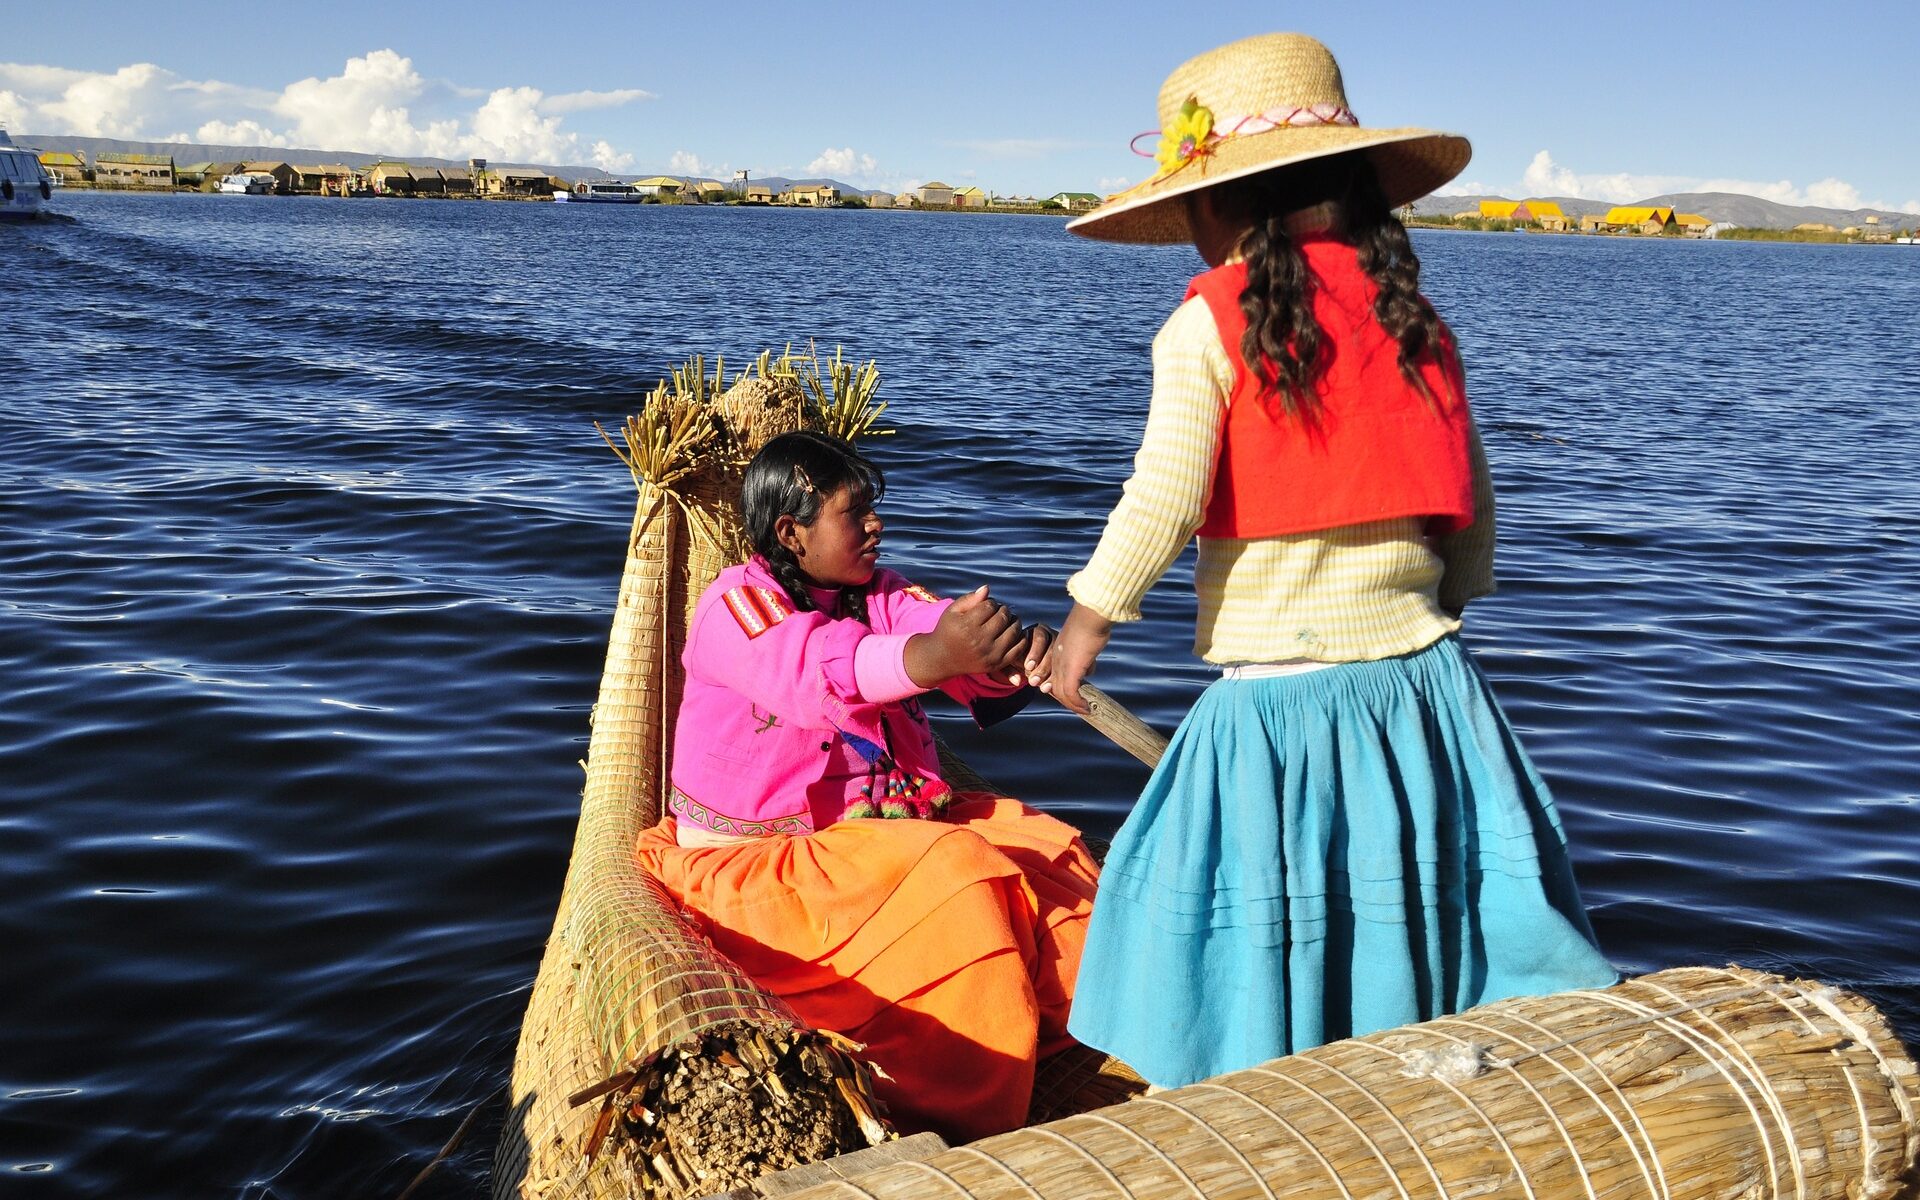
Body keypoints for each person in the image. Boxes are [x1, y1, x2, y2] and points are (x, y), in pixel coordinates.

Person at [1046, 33, 1618, 1089]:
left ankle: (1264, 1105)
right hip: (1428, 689)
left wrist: (1085, 624)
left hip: (1284, 704)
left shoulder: (1208, 323)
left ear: (1220, 207)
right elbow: (1473, 500)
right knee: (1405, 911)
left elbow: (1164, 496)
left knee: (1202, 908)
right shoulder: (1414, 316)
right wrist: (1444, 604)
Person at [634, 430, 1099, 1141]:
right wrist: (933, 655)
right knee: (962, 874)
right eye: (856, 513)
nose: (876, 525)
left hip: (876, 836)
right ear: (792, 532)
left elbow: (925, 623)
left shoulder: (874, 593)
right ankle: (961, 1113)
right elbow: (818, 669)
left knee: (1050, 850)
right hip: (762, 869)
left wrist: (996, 652)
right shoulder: (738, 607)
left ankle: (1085, 1026)